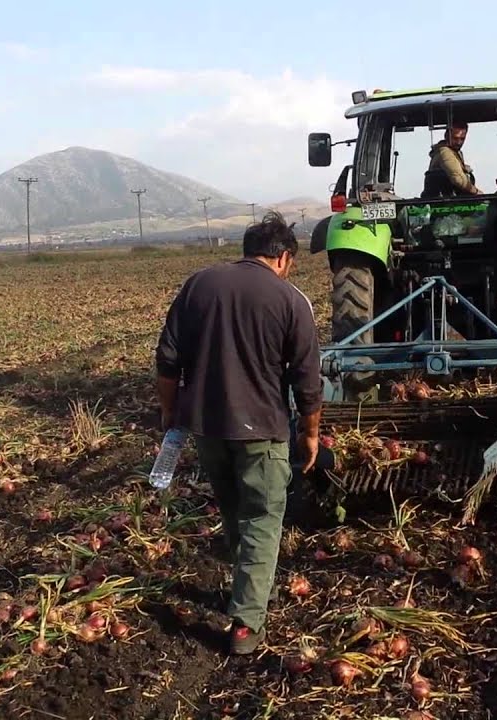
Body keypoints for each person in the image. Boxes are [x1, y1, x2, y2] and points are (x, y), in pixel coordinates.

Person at [154, 210, 323, 654]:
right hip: (262, 431)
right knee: (263, 518)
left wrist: (170, 411)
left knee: (233, 510)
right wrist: (310, 433)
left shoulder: (198, 285)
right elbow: (308, 380)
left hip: (208, 428)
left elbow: (168, 359)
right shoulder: (291, 300)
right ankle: (246, 624)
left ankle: (254, 589)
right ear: (283, 257)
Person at [422, 120, 482, 197]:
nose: (459, 142)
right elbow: (457, 179)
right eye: (455, 138)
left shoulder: (456, 152)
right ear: (446, 136)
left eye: (462, 139)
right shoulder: (445, 152)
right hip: (447, 200)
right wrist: (477, 192)